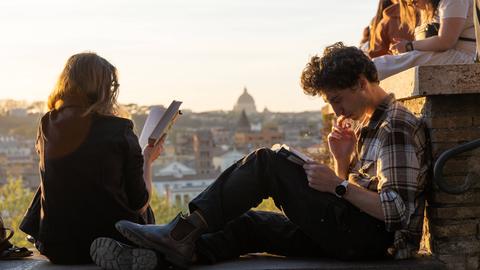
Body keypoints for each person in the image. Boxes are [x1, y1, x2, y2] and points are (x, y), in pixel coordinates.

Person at [90, 43, 429, 270]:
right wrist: (341, 160)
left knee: (268, 162)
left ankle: (177, 232)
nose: (335, 109)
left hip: (368, 241)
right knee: (248, 225)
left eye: (337, 99)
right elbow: (359, 191)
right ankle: (155, 257)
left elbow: (396, 211)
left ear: (360, 83)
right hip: (350, 231)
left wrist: (339, 184)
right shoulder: (367, 124)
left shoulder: (394, 124)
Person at [19, 53, 164, 264]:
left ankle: (39, 232)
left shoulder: (46, 123)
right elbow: (139, 203)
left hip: (57, 247)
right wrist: (147, 159)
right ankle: (136, 250)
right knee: (142, 204)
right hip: (111, 240)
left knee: (62, 174)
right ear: (104, 89)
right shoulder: (120, 129)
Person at [373, 0, 476, 80]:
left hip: (468, 57)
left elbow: (446, 41)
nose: (411, 4)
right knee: (409, 58)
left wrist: (409, 46)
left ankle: (369, 69)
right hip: (455, 55)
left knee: (410, 59)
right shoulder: (432, 8)